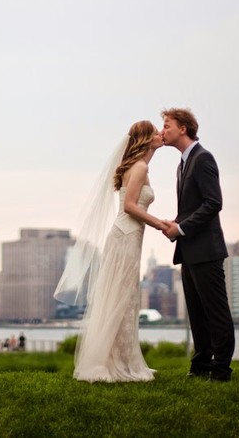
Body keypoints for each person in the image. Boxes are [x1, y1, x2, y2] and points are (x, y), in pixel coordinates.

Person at [54, 120, 171, 382]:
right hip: (126, 235)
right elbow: (129, 206)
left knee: (126, 297)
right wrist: (160, 224)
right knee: (121, 298)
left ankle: (123, 358)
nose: (160, 134)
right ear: (145, 139)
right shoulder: (139, 167)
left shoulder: (141, 167)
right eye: (155, 132)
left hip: (129, 236)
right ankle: (114, 362)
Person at [160, 107, 235, 382]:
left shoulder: (203, 158)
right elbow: (192, 208)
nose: (162, 130)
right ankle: (200, 366)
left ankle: (221, 370)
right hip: (189, 249)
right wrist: (175, 226)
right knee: (196, 313)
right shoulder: (182, 164)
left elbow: (214, 203)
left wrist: (181, 228)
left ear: (183, 128)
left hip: (207, 251)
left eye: (167, 125)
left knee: (216, 312)